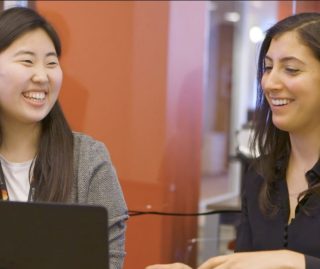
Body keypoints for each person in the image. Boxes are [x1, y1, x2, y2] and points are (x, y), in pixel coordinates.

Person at [146, 12, 320, 269]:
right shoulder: (260, 175)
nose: (270, 83)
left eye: (291, 69)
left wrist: (295, 262)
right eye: (268, 67)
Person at [0, 6, 128, 269]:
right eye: (27, 61)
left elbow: (110, 260)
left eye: (51, 63)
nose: (42, 75)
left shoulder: (88, 158)